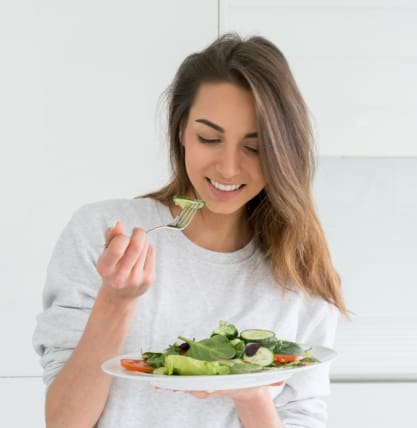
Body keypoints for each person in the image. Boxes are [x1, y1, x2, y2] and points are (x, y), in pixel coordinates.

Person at [33, 33, 347, 428]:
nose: (229, 168)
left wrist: (251, 391)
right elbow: (63, 422)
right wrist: (116, 302)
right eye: (209, 138)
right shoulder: (101, 232)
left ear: (283, 151)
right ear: (181, 131)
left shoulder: (299, 271)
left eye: (254, 147)